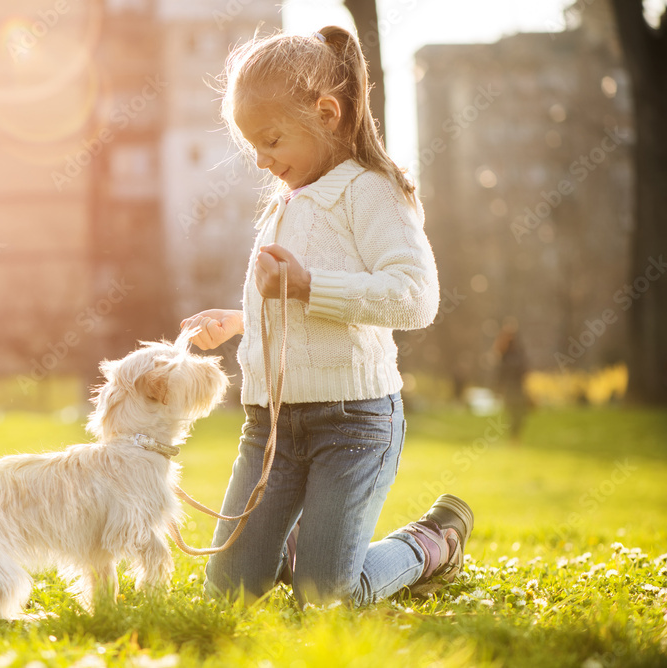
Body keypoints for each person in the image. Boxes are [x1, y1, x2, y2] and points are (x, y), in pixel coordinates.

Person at [180, 26, 473, 607]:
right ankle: (300, 545)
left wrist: (308, 286)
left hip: (352, 424)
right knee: (227, 594)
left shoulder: (371, 191)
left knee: (325, 600)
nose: (262, 161)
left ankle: (428, 543)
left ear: (327, 112)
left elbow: (415, 296)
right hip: (270, 429)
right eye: (252, 147)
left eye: (271, 141)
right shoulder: (289, 201)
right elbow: (296, 305)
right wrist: (242, 319)